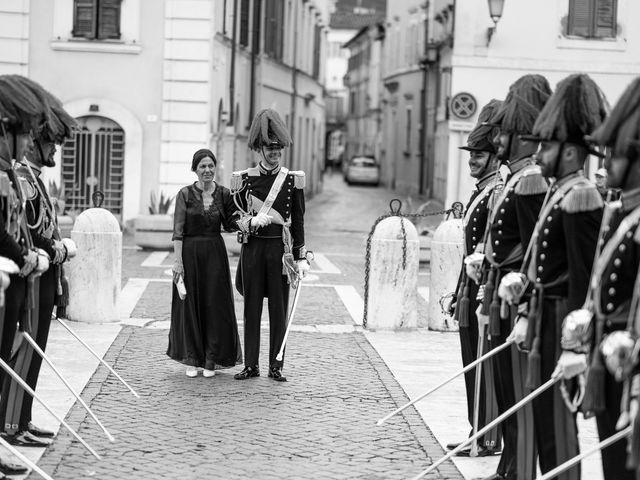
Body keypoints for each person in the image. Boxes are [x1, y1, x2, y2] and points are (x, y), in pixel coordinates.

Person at [499, 73, 607, 479]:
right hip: (544, 314)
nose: (539, 153)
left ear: (571, 153)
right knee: (541, 415)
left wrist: (575, 344)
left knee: (559, 426)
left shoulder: (582, 194)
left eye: (548, 146)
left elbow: (582, 275)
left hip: (562, 316)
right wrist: (526, 306)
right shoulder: (560, 191)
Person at [468, 74, 551, 480]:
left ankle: (519, 470)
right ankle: (508, 466)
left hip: (514, 296)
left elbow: (537, 249)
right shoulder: (515, 178)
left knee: (517, 391)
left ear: (519, 136)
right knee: (504, 389)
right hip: (498, 294)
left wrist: (521, 300)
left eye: (501, 135)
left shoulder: (531, 180)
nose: (495, 142)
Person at [557, 76, 640, 480]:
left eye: (616, 155)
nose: (605, 165)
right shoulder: (622, 214)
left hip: (629, 370)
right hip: (607, 366)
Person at [0, 76, 76, 448]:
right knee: (20, 354)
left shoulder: (29, 178)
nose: (51, 151)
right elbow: (27, 231)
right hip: (25, 276)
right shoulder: (21, 178)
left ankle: (20, 419)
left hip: (40, 275)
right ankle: (11, 424)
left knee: (31, 353)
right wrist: (52, 252)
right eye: (48, 142)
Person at [231, 109, 309, 382]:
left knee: (279, 309)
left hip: (280, 251)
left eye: (278, 147)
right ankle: (251, 364)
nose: (275, 152)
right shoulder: (243, 178)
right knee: (251, 308)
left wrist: (300, 256)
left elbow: (298, 219)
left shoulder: (292, 179)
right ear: (259, 148)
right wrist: (251, 222)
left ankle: (276, 365)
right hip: (254, 249)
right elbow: (234, 217)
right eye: (269, 147)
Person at [448, 99, 503, 456]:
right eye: (470, 153)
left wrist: (479, 291)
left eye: (480, 154)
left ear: (495, 156)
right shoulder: (481, 190)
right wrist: (457, 292)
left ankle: (488, 436)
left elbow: (491, 248)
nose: (473, 159)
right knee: (472, 366)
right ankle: (476, 429)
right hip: (469, 290)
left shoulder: (495, 190)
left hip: (482, 292)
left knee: (483, 367)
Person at [0, 75, 45, 475]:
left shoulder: (10, 173)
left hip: (16, 278)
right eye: (25, 135)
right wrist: (24, 256)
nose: (30, 143)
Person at [167, 148, 242, 377]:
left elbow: (231, 224)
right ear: (195, 169)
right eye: (203, 166)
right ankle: (192, 359)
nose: (207, 170)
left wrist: (247, 213)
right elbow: (178, 232)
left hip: (215, 255)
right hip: (189, 254)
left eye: (210, 166)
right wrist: (178, 263)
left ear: (215, 168)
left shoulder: (224, 194)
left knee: (214, 306)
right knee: (190, 306)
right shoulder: (185, 194)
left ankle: (211, 358)